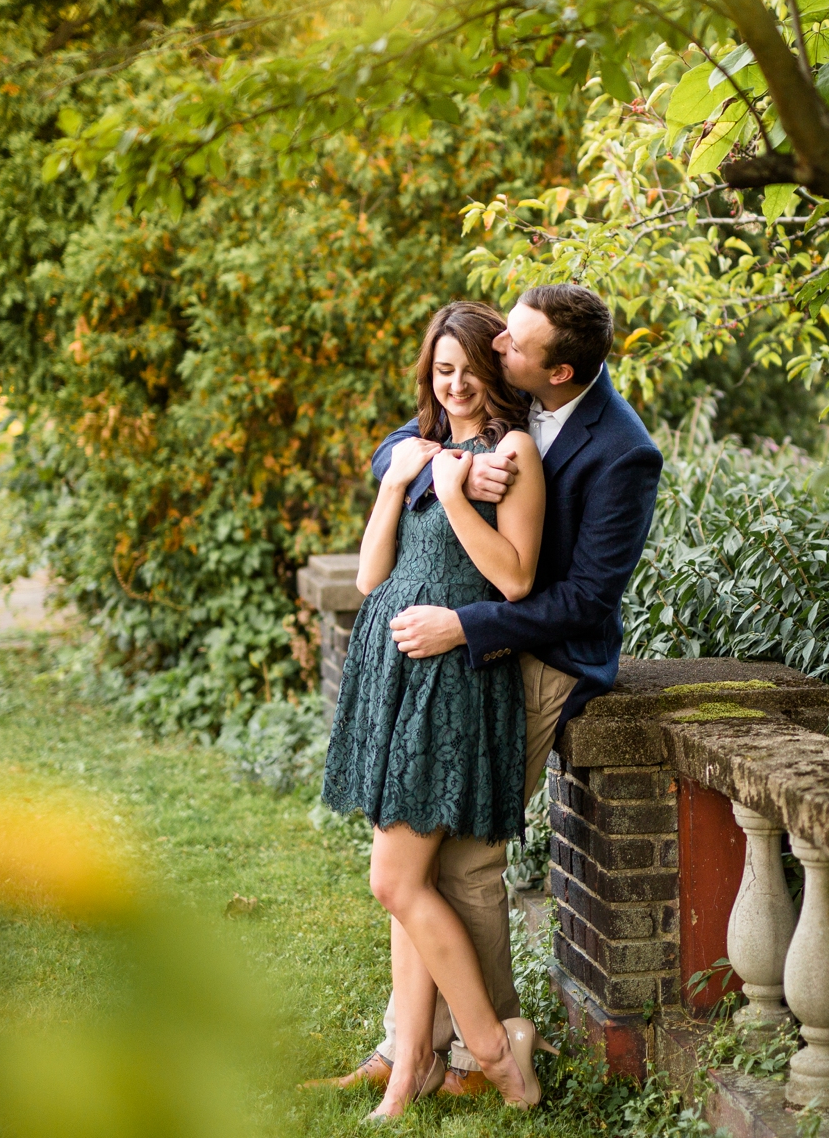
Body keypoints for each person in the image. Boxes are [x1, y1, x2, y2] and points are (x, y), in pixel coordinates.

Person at [306, 283, 664, 1101]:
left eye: (513, 346)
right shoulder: (504, 399)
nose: (498, 348)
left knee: (462, 859)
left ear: (560, 369)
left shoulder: (621, 451)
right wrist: (420, 472)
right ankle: (417, 1048)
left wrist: (464, 625)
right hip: (450, 639)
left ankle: (477, 1053)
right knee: (432, 858)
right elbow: (413, 433)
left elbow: (582, 599)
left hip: (540, 654)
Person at [320, 299, 549, 1120]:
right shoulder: (420, 450)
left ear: (496, 372)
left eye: (469, 371)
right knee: (410, 880)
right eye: (441, 370)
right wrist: (398, 480)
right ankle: (412, 1060)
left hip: (453, 680)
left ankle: (494, 1049)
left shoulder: (511, 453)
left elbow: (515, 579)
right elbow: (371, 577)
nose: (454, 385)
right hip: (394, 671)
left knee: (394, 878)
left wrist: (452, 491)